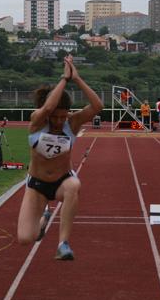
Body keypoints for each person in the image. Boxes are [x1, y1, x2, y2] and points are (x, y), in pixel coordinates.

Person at [17, 55, 103, 260]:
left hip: (62, 181)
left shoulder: (71, 124)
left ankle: (63, 244)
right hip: (36, 185)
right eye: (55, 117)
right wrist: (64, 79)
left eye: (63, 116)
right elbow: (47, 108)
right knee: (25, 238)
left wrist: (77, 79)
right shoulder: (37, 122)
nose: (59, 120)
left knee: (74, 185)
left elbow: (97, 106)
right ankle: (43, 220)